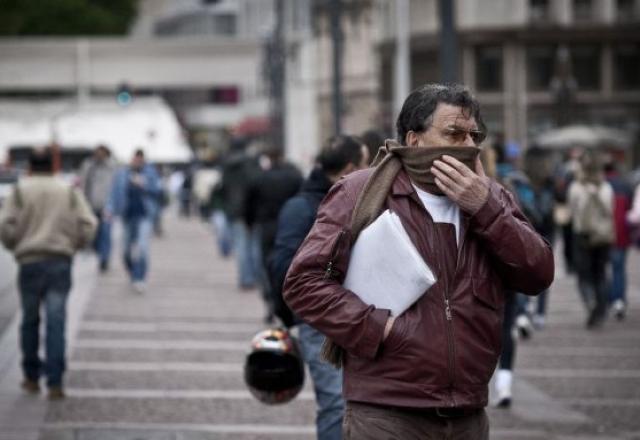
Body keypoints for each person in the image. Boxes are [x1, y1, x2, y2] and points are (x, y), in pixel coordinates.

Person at [283, 83, 554, 439]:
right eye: (454, 134)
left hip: (468, 412)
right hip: (386, 411)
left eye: (475, 135)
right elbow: (303, 283)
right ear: (414, 139)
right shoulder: (360, 192)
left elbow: (538, 272)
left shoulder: (493, 196)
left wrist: (486, 209)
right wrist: (380, 329)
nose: (469, 146)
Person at [268, 135, 369, 440]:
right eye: (366, 165)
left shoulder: (358, 201)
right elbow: (282, 267)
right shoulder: (302, 207)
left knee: (361, 405)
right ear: (350, 168)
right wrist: (290, 316)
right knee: (336, 404)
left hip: (359, 316)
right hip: (319, 320)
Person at [0, 149, 97, 400]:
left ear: (30, 167)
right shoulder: (67, 191)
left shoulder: (20, 191)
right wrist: (75, 245)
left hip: (30, 261)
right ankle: (55, 381)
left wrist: (14, 245)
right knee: (57, 322)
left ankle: (31, 377)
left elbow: (5, 225)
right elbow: (90, 223)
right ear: (52, 166)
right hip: (59, 261)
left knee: (30, 320)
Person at [245, 145, 303, 322]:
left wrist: (250, 222)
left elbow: (249, 203)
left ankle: (271, 301)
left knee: (266, 267)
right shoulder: (295, 177)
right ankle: (287, 302)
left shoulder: (260, 178)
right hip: (289, 226)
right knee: (288, 265)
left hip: (266, 226)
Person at [568, 150, 614, 329]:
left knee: (583, 276)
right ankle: (601, 310)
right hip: (603, 236)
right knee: (601, 274)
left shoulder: (576, 187)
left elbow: (572, 211)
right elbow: (610, 211)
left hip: (583, 235)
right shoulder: (606, 187)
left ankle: (590, 303)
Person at [107, 149, 161, 293]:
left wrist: (144, 185)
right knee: (125, 250)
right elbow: (114, 193)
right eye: (135, 159)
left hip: (144, 215)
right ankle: (132, 272)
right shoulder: (122, 173)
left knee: (142, 248)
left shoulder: (150, 173)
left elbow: (158, 191)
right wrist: (110, 209)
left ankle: (140, 277)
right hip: (126, 216)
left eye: (140, 160)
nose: (137, 162)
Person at [78, 145, 117, 272]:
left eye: (101, 153)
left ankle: (104, 259)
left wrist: (114, 204)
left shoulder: (112, 167)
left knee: (105, 233)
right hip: (90, 205)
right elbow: (82, 183)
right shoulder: (88, 165)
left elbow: (116, 187)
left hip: (107, 206)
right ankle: (96, 252)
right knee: (93, 232)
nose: (98, 155)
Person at [605, 161, 632, 320]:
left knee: (605, 270)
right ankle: (619, 300)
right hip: (622, 235)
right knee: (619, 269)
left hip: (604, 235)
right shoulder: (625, 185)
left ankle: (609, 299)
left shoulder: (601, 186)